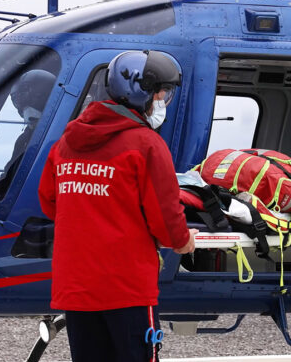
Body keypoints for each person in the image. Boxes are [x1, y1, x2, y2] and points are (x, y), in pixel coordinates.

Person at [37, 50, 198, 362]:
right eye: (161, 93)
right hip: (127, 290)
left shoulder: (65, 145)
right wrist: (183, 241)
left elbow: (49, 203)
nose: (163, 100)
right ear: (142, 92)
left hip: (77, 289)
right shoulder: (147, 145)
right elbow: (165, 220)